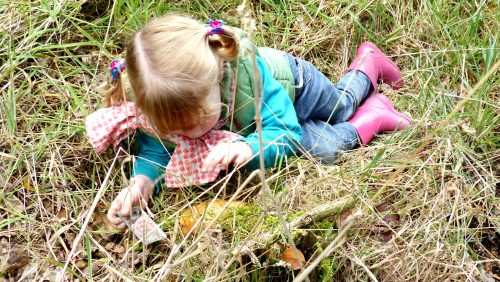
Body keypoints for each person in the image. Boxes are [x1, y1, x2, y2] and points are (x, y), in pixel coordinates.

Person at [85, 15, 410, 230]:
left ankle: (368, 64)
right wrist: (142, 181)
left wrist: (250, 146)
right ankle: (376, 113)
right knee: (323, 149)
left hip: (296, 88)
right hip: (257, 121)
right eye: (175, 128)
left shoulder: (246, 79)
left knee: (340, 109)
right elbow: (156, 148)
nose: (190, 134)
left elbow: (284, 131)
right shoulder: (156, 106)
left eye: (199, 119)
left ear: (217, 79)